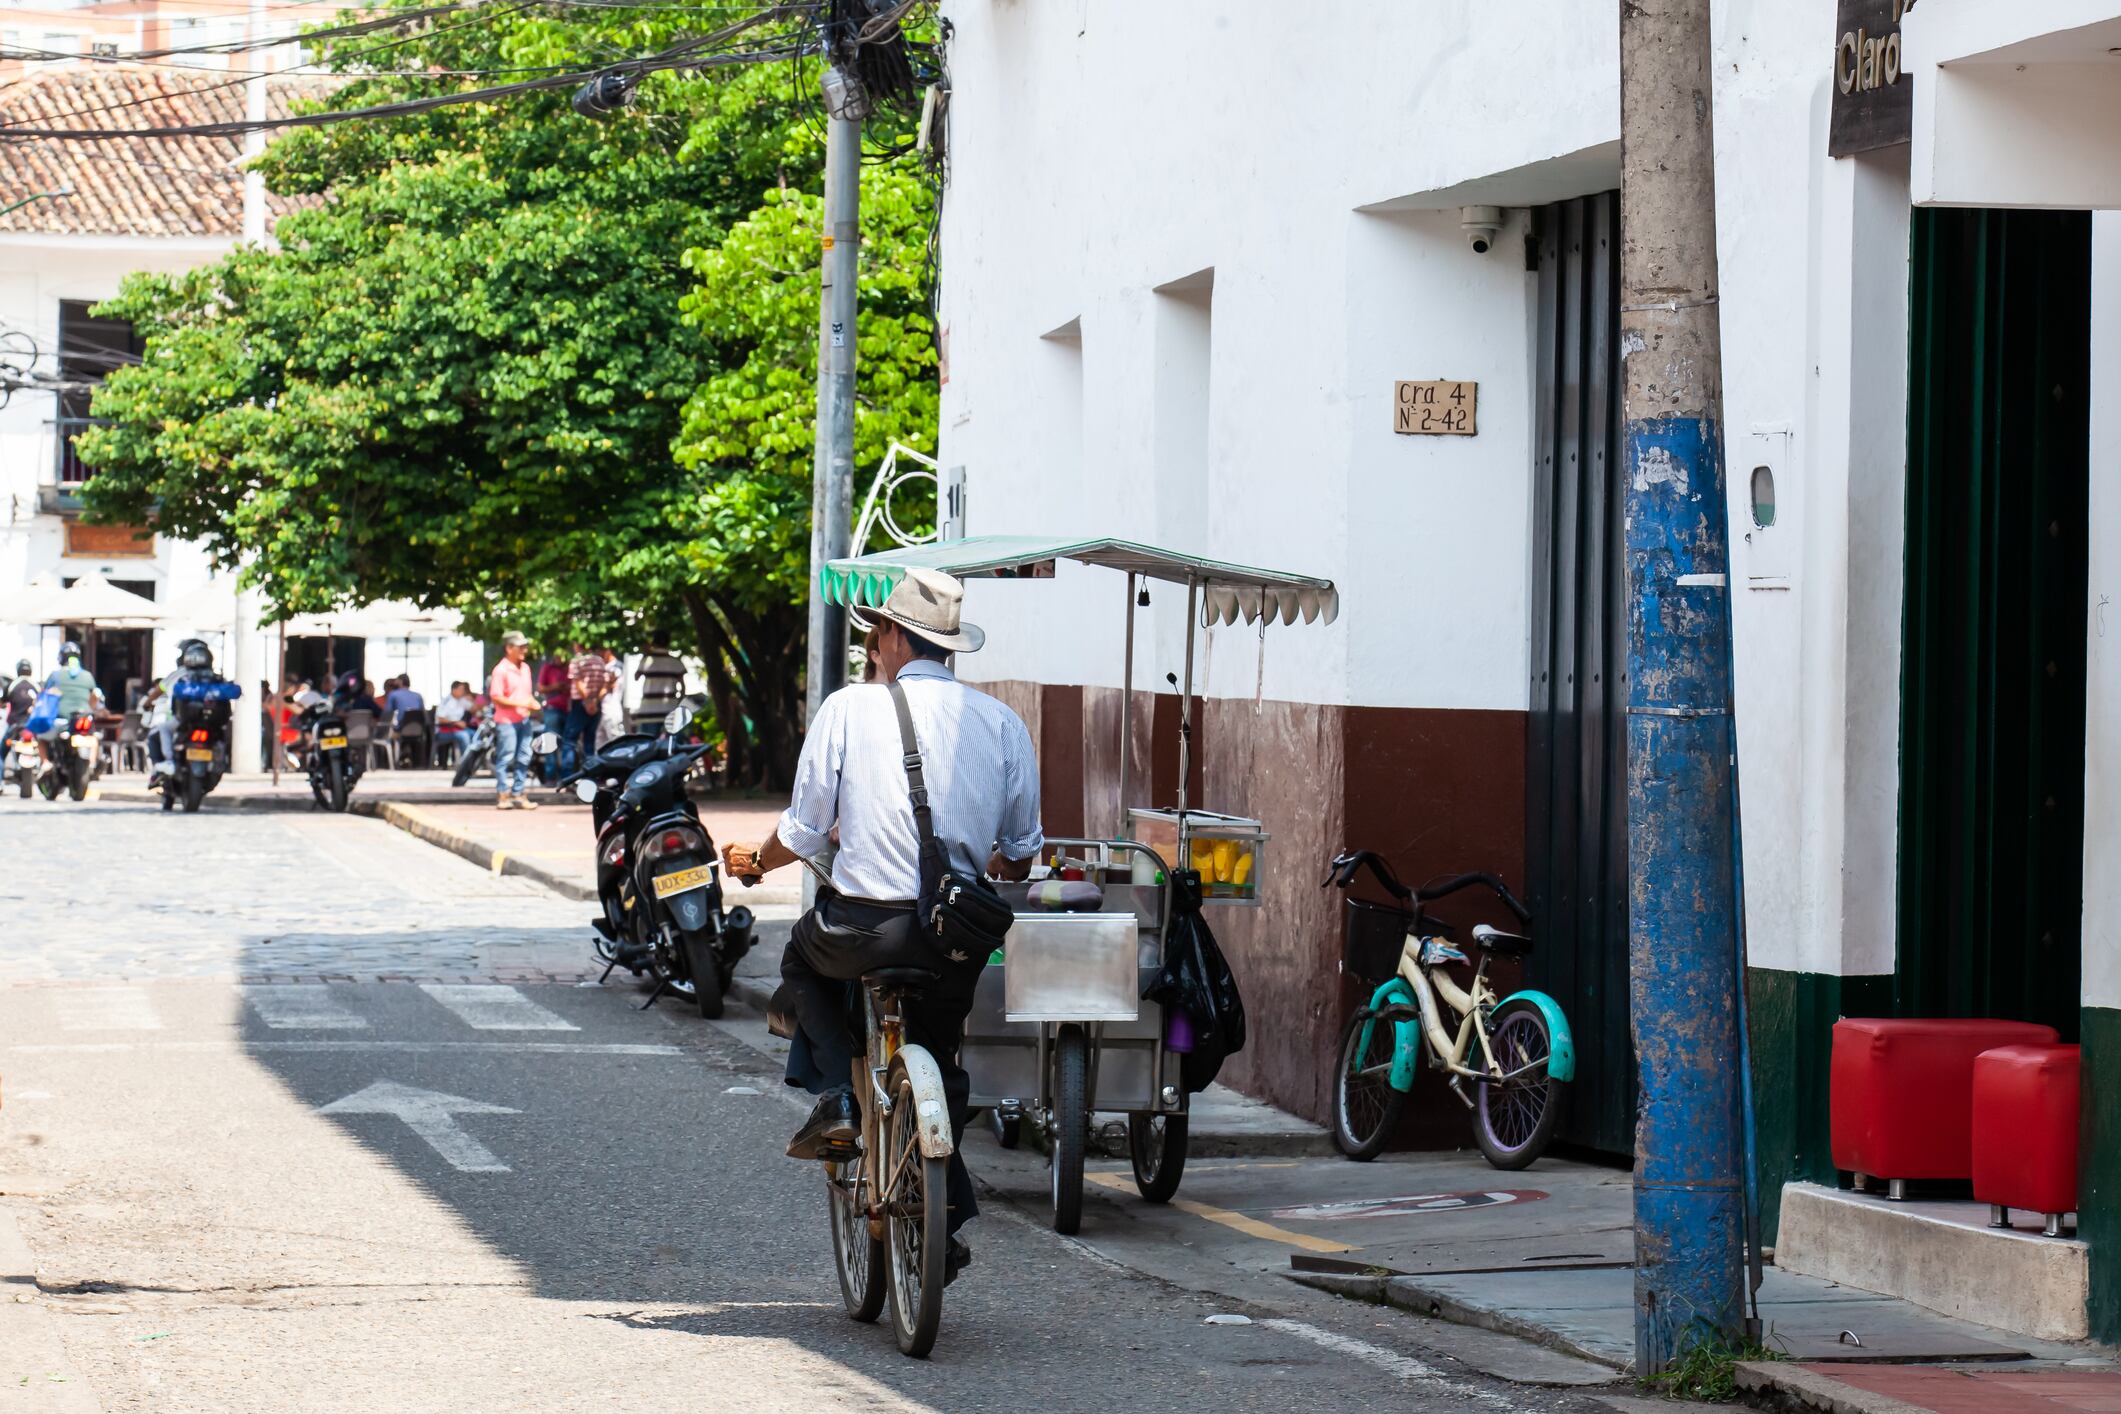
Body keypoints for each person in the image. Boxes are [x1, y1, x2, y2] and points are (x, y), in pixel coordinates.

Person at [721, 568, 1041, 1284]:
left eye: (876, 635)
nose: (873, 646)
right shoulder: (1001, 722)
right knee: (939, 1052)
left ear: (893, 636)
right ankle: (939, 1214)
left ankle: (839, 1093)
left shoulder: (848, 708)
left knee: (801, 961)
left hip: (863, 926)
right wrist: (976, 857)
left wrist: (755, 862)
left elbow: (805, 830)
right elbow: (1020, 853)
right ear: (948, 645)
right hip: (953, 938)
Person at [488, 631, 541, 810]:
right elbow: (496, 697)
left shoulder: (525, 668)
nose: (524, 650)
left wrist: (532, 703)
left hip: (524, 720)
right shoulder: (501, 670)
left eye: (525, 647)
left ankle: (518, 793)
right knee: (506, 757)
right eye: (520, 647)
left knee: (525, 757)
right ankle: (503, 794)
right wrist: (522, 703)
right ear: (509, 648)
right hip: (506, 721)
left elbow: (526, 694)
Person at [37, 642, 104, 772]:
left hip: (61, 720)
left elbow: (45, 696)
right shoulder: (87, 675)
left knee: (41, 737)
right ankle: (91, 763)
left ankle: (45, 763)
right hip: (84, 719)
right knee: (93, 738)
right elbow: (95, 697)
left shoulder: (55, 675)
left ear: (61, 657)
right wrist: (90, 710)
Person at [565, 642, 608, 767]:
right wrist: (595, 701)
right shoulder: (600, 661)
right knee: (590, 741)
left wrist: (588, 702)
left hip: (580, 703)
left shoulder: (577, 661)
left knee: (570, 741)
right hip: (596, 704)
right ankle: (590, 772)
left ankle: (568, 775)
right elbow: (605, 685)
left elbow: (578, 682)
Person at [434, 680, 478, 763]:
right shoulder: (446, 701)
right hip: (444, 731)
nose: (463, 692)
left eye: (464, 690)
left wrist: (471, 699)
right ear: (454, 690)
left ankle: (474, 761)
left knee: (476, 735)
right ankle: (466, 763)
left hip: (458, 729)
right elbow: (440, 719)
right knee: (464, 736)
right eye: (461, 689)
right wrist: (456, 722)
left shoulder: (462, 700)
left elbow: (474, 709)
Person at [5, 659, 37, 730]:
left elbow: (3, 702)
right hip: (32, 725)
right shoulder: (36, 686)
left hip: (14, 724)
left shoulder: (12, 685)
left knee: (4, 737)